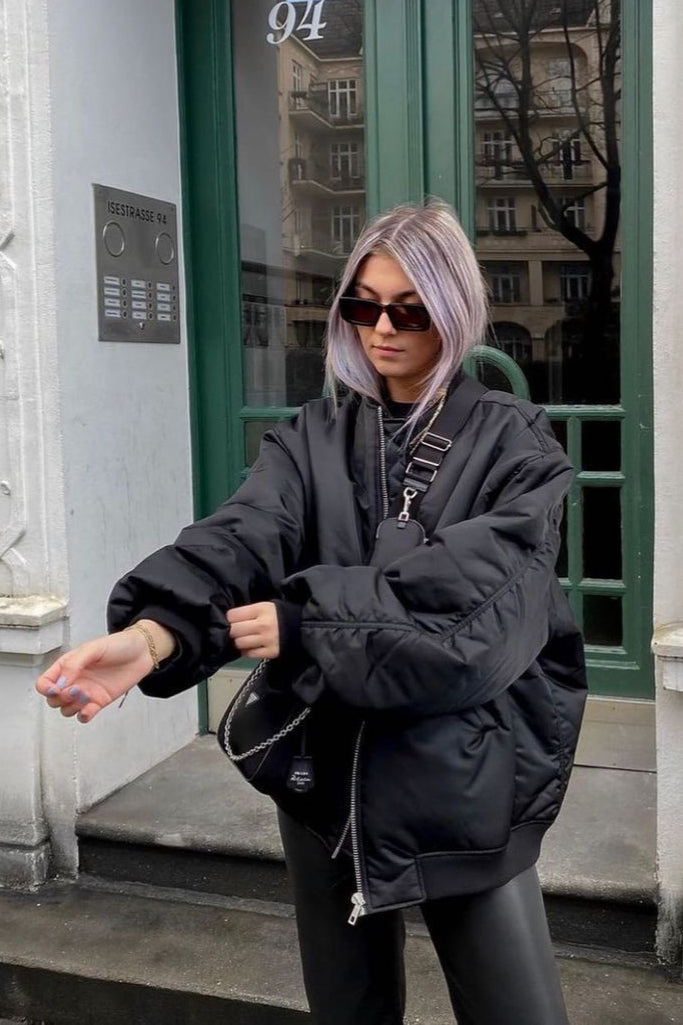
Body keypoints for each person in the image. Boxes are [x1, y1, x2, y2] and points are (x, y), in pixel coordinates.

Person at [36, 200, 587, 1025]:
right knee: (345, 1007)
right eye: (363, 305)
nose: (381, 329)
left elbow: (475, 614)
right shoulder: (315, 434)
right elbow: (244, 533)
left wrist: (306, 622)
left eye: (409, 310)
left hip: (463, 778)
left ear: (455, 311)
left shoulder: (516, 444)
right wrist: (154, 633)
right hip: (322, 773)